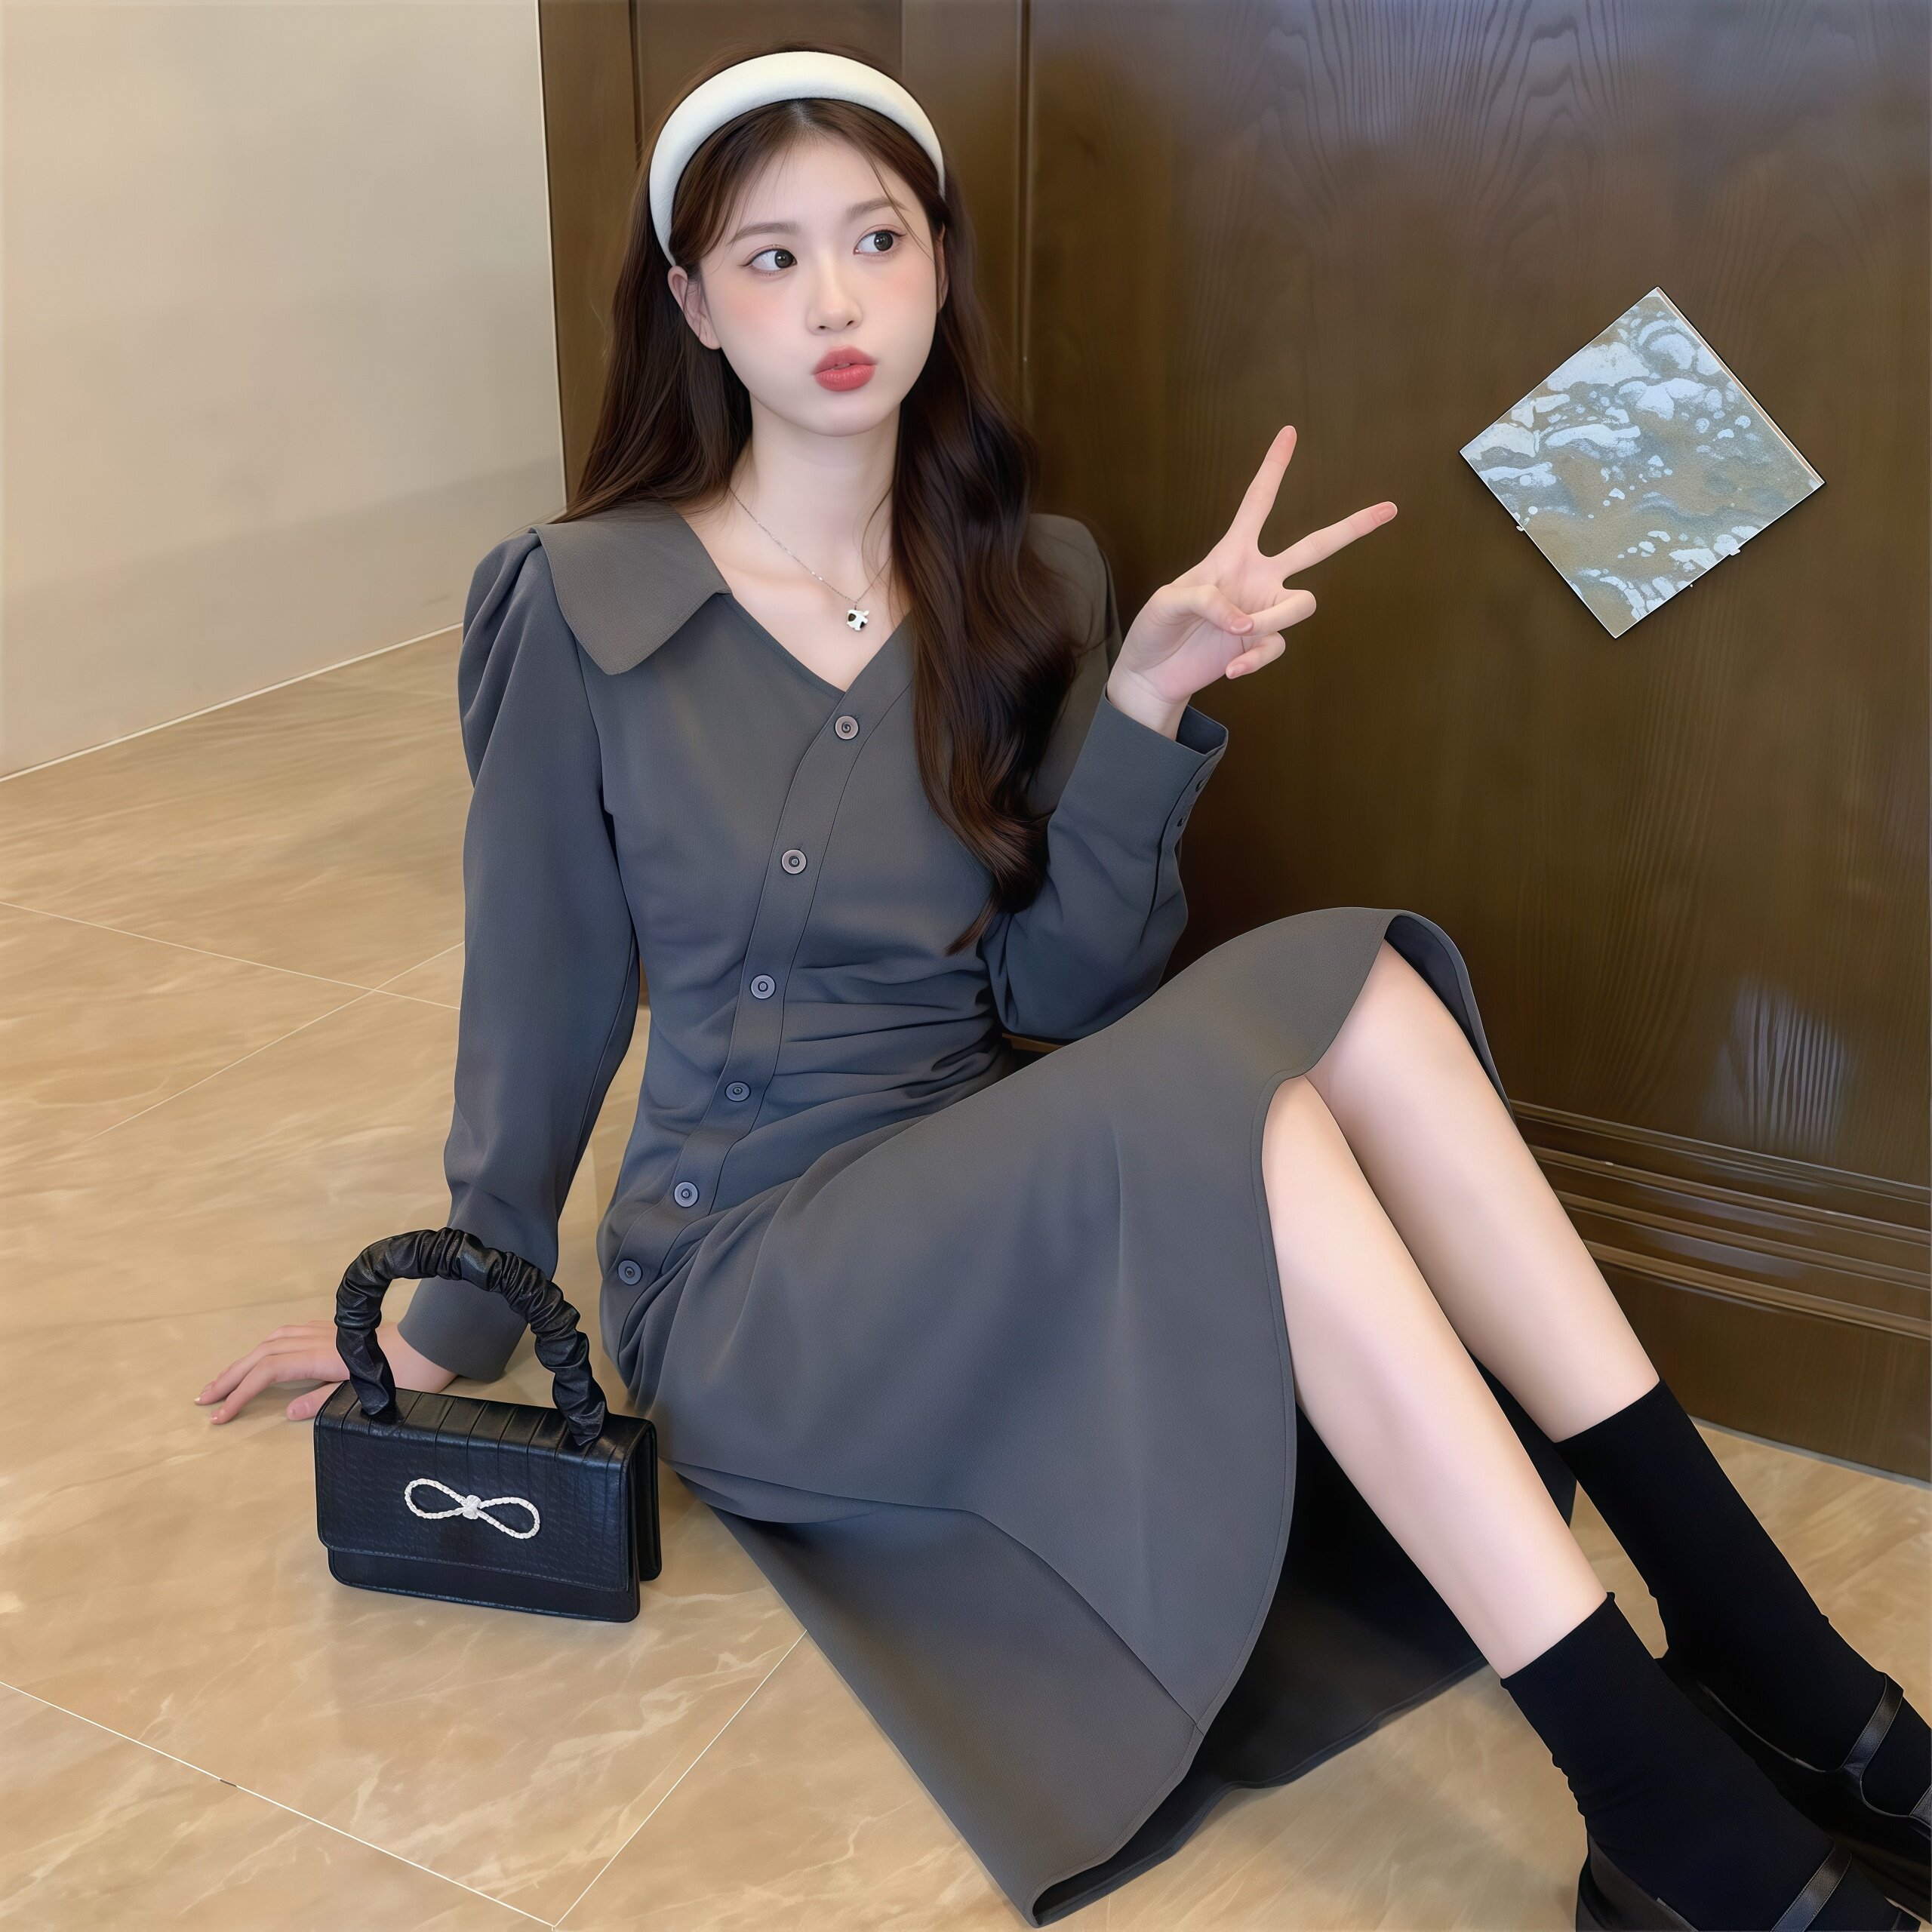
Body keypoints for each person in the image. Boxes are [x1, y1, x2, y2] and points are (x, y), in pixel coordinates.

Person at [198, 41, 1929, 1932]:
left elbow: (1066, 996)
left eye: (875, 239)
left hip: (988, 1191)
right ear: (691, 305)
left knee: (1358, 989)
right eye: (771, 257)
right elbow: (535, 1000)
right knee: (1261, 1125)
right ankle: (1667, 1791)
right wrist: (455, 1313)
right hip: (751, 1278)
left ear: (938, 263)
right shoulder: (580, 599)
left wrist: (1146, 700)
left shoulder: (1033, 581)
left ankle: (1756, 1644)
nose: (835, 300)